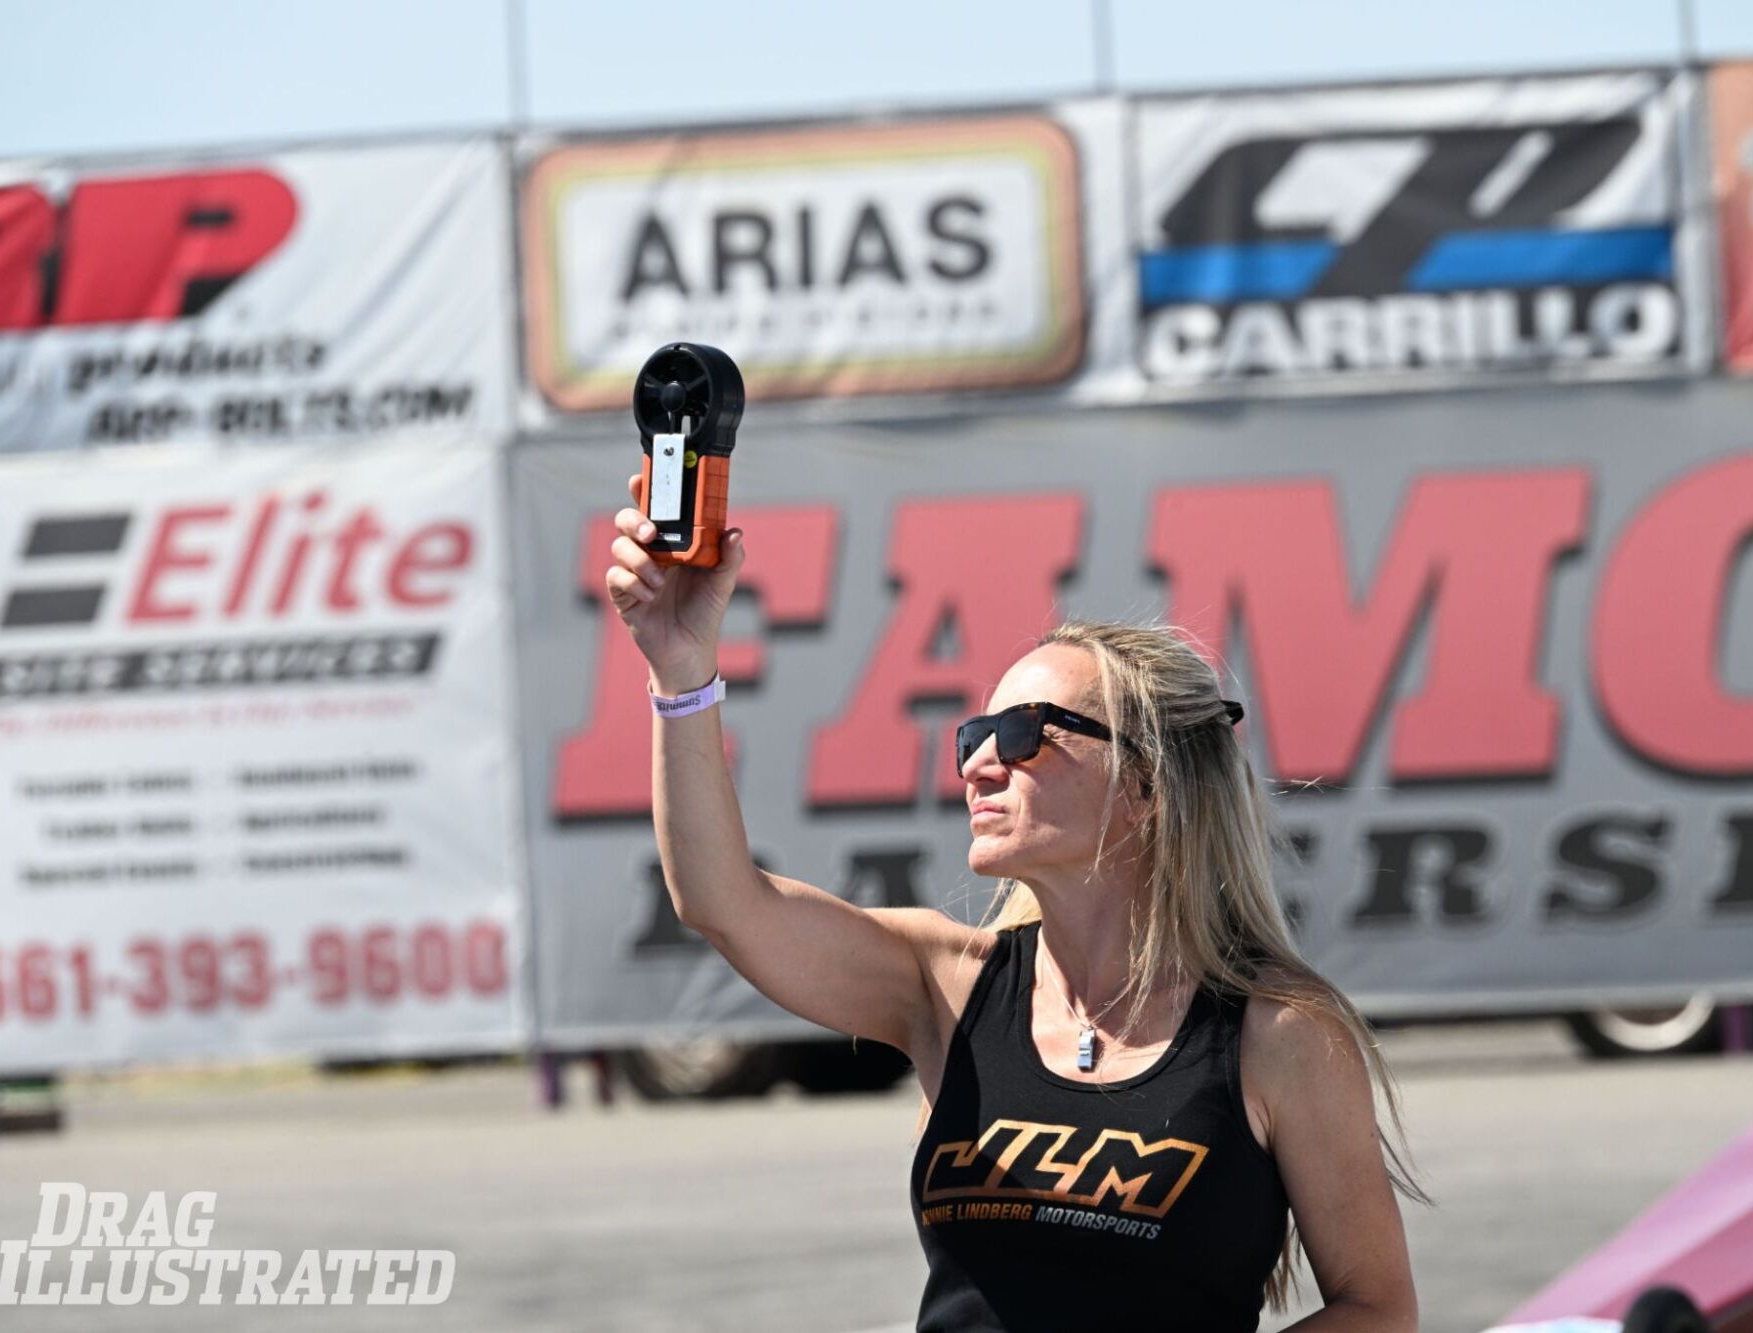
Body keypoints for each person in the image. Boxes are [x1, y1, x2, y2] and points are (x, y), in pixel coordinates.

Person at [605, 475, 1423, 1332]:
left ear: (1145, 784)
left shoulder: (1280, 1034)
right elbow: (722, 900)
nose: (977, 763)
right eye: (975, 734)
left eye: (1024, 733)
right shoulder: (948, 986)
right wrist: (681, 669)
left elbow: (1378, 1308)